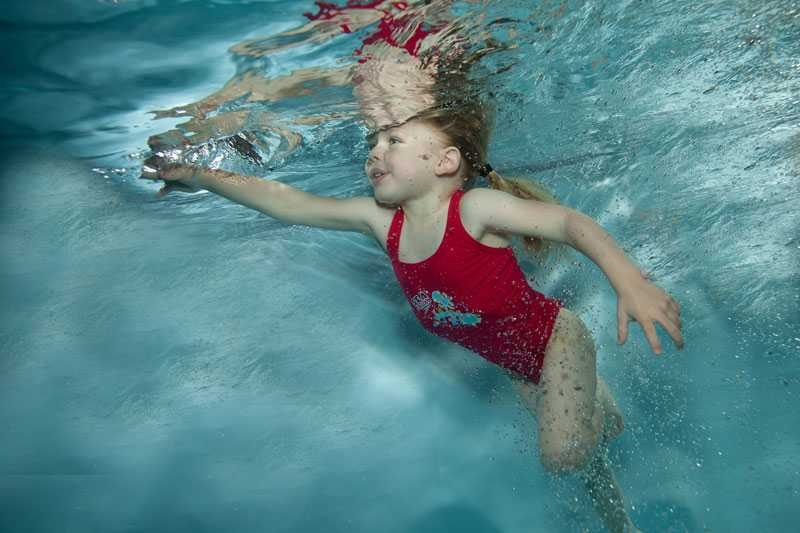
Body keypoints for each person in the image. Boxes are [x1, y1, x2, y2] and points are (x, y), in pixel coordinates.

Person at [141, 4, 684, 532]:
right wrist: (200, 175)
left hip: (556, 341)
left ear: (445, 162)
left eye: (394, 138)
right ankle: (620, 522)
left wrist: (630, 282)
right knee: (583, 458)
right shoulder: (384, 225)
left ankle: (602, 417)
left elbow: (569, 224)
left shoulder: (472, 210)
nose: (375, 149)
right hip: (521, 365)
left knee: (563, 456)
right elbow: (288, 201)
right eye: (374, 141)